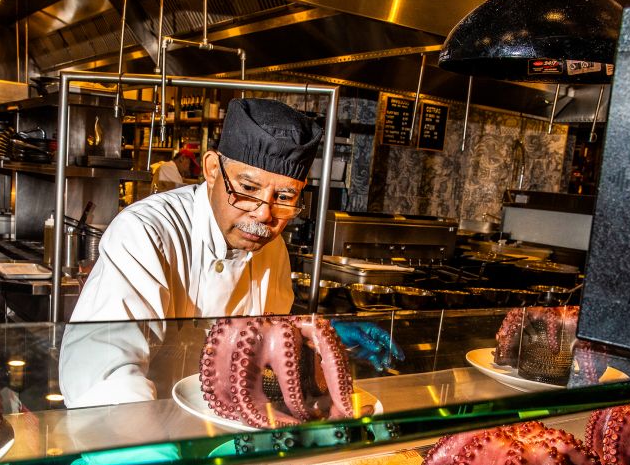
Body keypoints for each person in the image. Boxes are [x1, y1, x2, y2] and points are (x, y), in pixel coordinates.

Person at [60, 98, 401, 407]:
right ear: (211, 170)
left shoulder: (272, 248)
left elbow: (266, 342)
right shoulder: (147, 231)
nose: (264, 214)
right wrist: (139, 448)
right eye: (248, 188)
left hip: (227, 424)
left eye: (284, 197)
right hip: (149, 421)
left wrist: (313, 339)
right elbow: (104, 367)